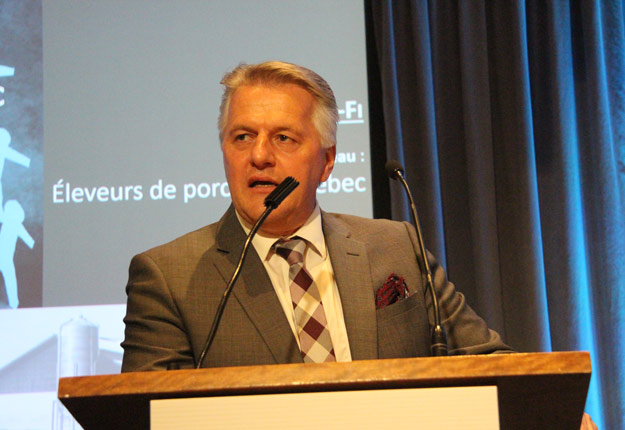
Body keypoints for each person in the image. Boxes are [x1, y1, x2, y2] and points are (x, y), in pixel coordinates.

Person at [121, 60, 512, 372]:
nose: (259, 156)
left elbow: (488, 361)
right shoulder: (168, 276)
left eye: (283, 138)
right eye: (242, 137)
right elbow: (143, 413)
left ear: (326, 161)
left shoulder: (396, 247)